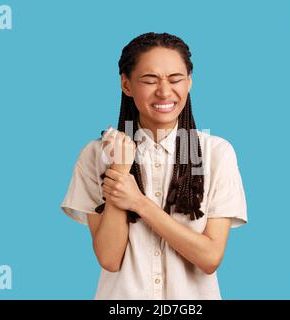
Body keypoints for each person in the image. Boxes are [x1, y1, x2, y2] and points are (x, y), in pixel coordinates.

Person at [61, 32, 248, 299]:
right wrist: (119, 169)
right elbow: (109, 258)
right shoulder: (96, 155)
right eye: (149, 80)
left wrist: (139, 202)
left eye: (175, 79)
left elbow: (209, 258)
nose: (164, 91)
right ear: (126, 85)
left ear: (189, 82)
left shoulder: (216, 153)